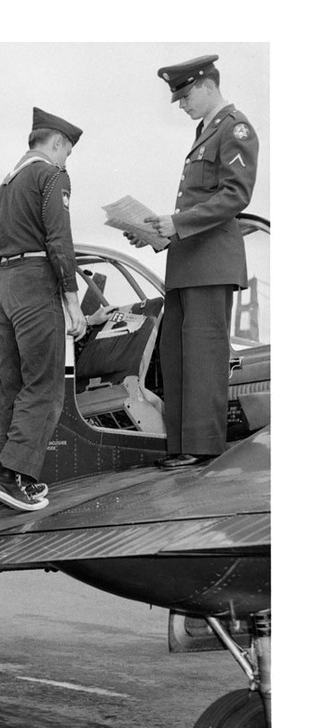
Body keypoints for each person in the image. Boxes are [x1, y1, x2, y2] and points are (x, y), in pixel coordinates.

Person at [127, 54, 259, 469]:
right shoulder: (207, 131)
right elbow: (199, 207)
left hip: (211, 263)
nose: (182, 105)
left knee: (202, 355)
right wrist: (157, 233)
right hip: (188, 263)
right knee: (179, 355)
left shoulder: (235, 128)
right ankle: (183, 445)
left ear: (205, 86)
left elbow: (235, 196)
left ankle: (201, 447)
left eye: (185, 96)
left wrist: (176, 222)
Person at [0, 107, 88, 512]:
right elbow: (60, 241)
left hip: (2, 285)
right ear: (57, 143)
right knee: (44, 386)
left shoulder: (6, 182)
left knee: (16, 386)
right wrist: (73, 302)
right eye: (67, 153)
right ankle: (10, 477)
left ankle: (11, 477)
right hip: (33, 283)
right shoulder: (51, 175)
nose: (66, 162)